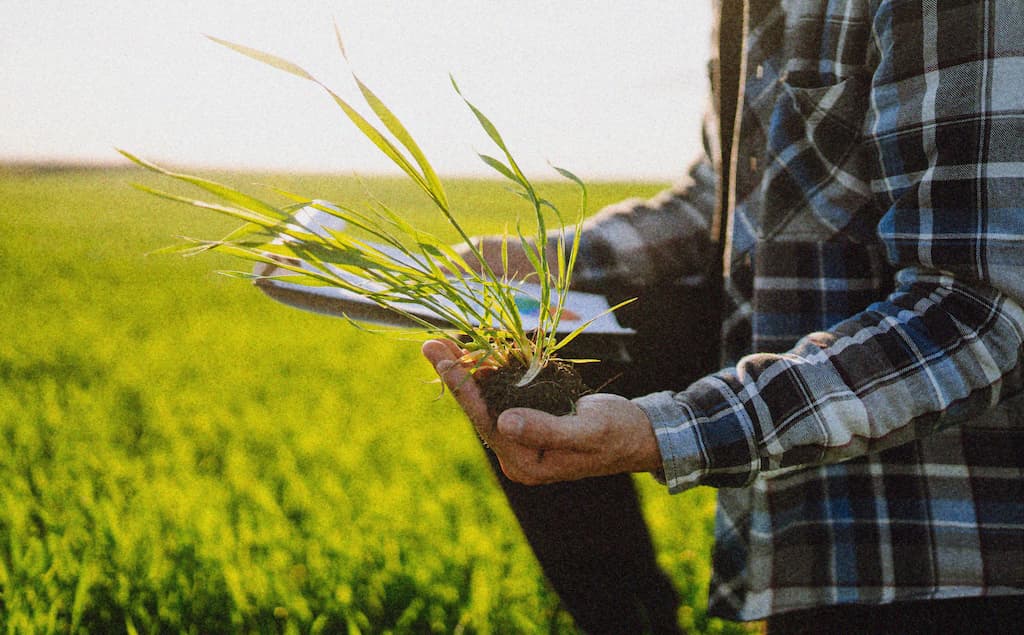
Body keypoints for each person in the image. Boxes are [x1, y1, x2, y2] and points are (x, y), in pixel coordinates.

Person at [424, 1, 1024, 633]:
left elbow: (982, 310)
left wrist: (667, 432)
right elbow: (730, 196)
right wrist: (541, 260)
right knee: (519, 347)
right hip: (813, 502)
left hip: (946, 545)